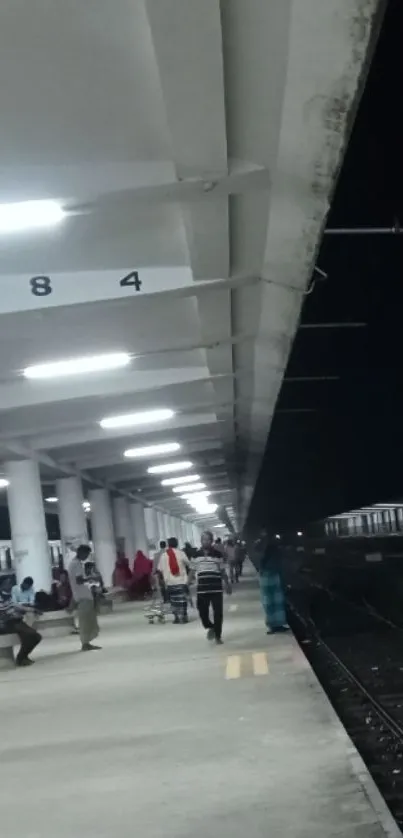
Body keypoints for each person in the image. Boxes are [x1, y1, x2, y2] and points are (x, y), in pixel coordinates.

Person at [190, 531, 231, 644]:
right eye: (203, 539)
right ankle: (210, 626)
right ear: (201, 541)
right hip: (202, 589)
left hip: (216, 588)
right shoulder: (196, 555)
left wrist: (227, 584)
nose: (205, 541)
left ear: (211, 541)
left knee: (218, 613)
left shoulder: (218, 554)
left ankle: (218, 636)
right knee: (202, 612)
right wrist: (187, 583)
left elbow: (222, 571)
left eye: (208, 539)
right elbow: (192, 570)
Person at [67, 545, 101, 651]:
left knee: (88, 621)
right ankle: (85, 643)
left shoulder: (74, 563)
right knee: (85, 622)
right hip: (83, 597)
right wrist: (91, 578)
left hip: (82, 596)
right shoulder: (76, 564)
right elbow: (79, 580)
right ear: (81, 552)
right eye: (86, 554)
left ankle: (86, 642)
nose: (87, 556)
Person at [0, 589, 42, 667]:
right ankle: (21, 658)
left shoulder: (8, 599)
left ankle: (23, 656)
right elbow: (4, 615)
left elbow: (18, 607)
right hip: (8, 624)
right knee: (30, 635)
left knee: (37, 637)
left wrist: (33, 609)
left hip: (17, 622)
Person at [258, 531, 288, 634]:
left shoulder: (265, 546)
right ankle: (275, 625)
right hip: (270, 575)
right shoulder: (270, 547)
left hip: (269, 575)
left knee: (272, 602)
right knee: (274, 601)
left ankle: (275, 625)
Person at [158, 537, 190, 624]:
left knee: (173, 600)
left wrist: (162, 580)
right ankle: (183, 616)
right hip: (181, 580)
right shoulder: (181, 553)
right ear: (177, 544)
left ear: (168, 545)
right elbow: (188, 564)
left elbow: (160, 569)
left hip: (169, 582)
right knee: (182, 599)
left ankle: (176, 617)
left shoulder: (164, 555)